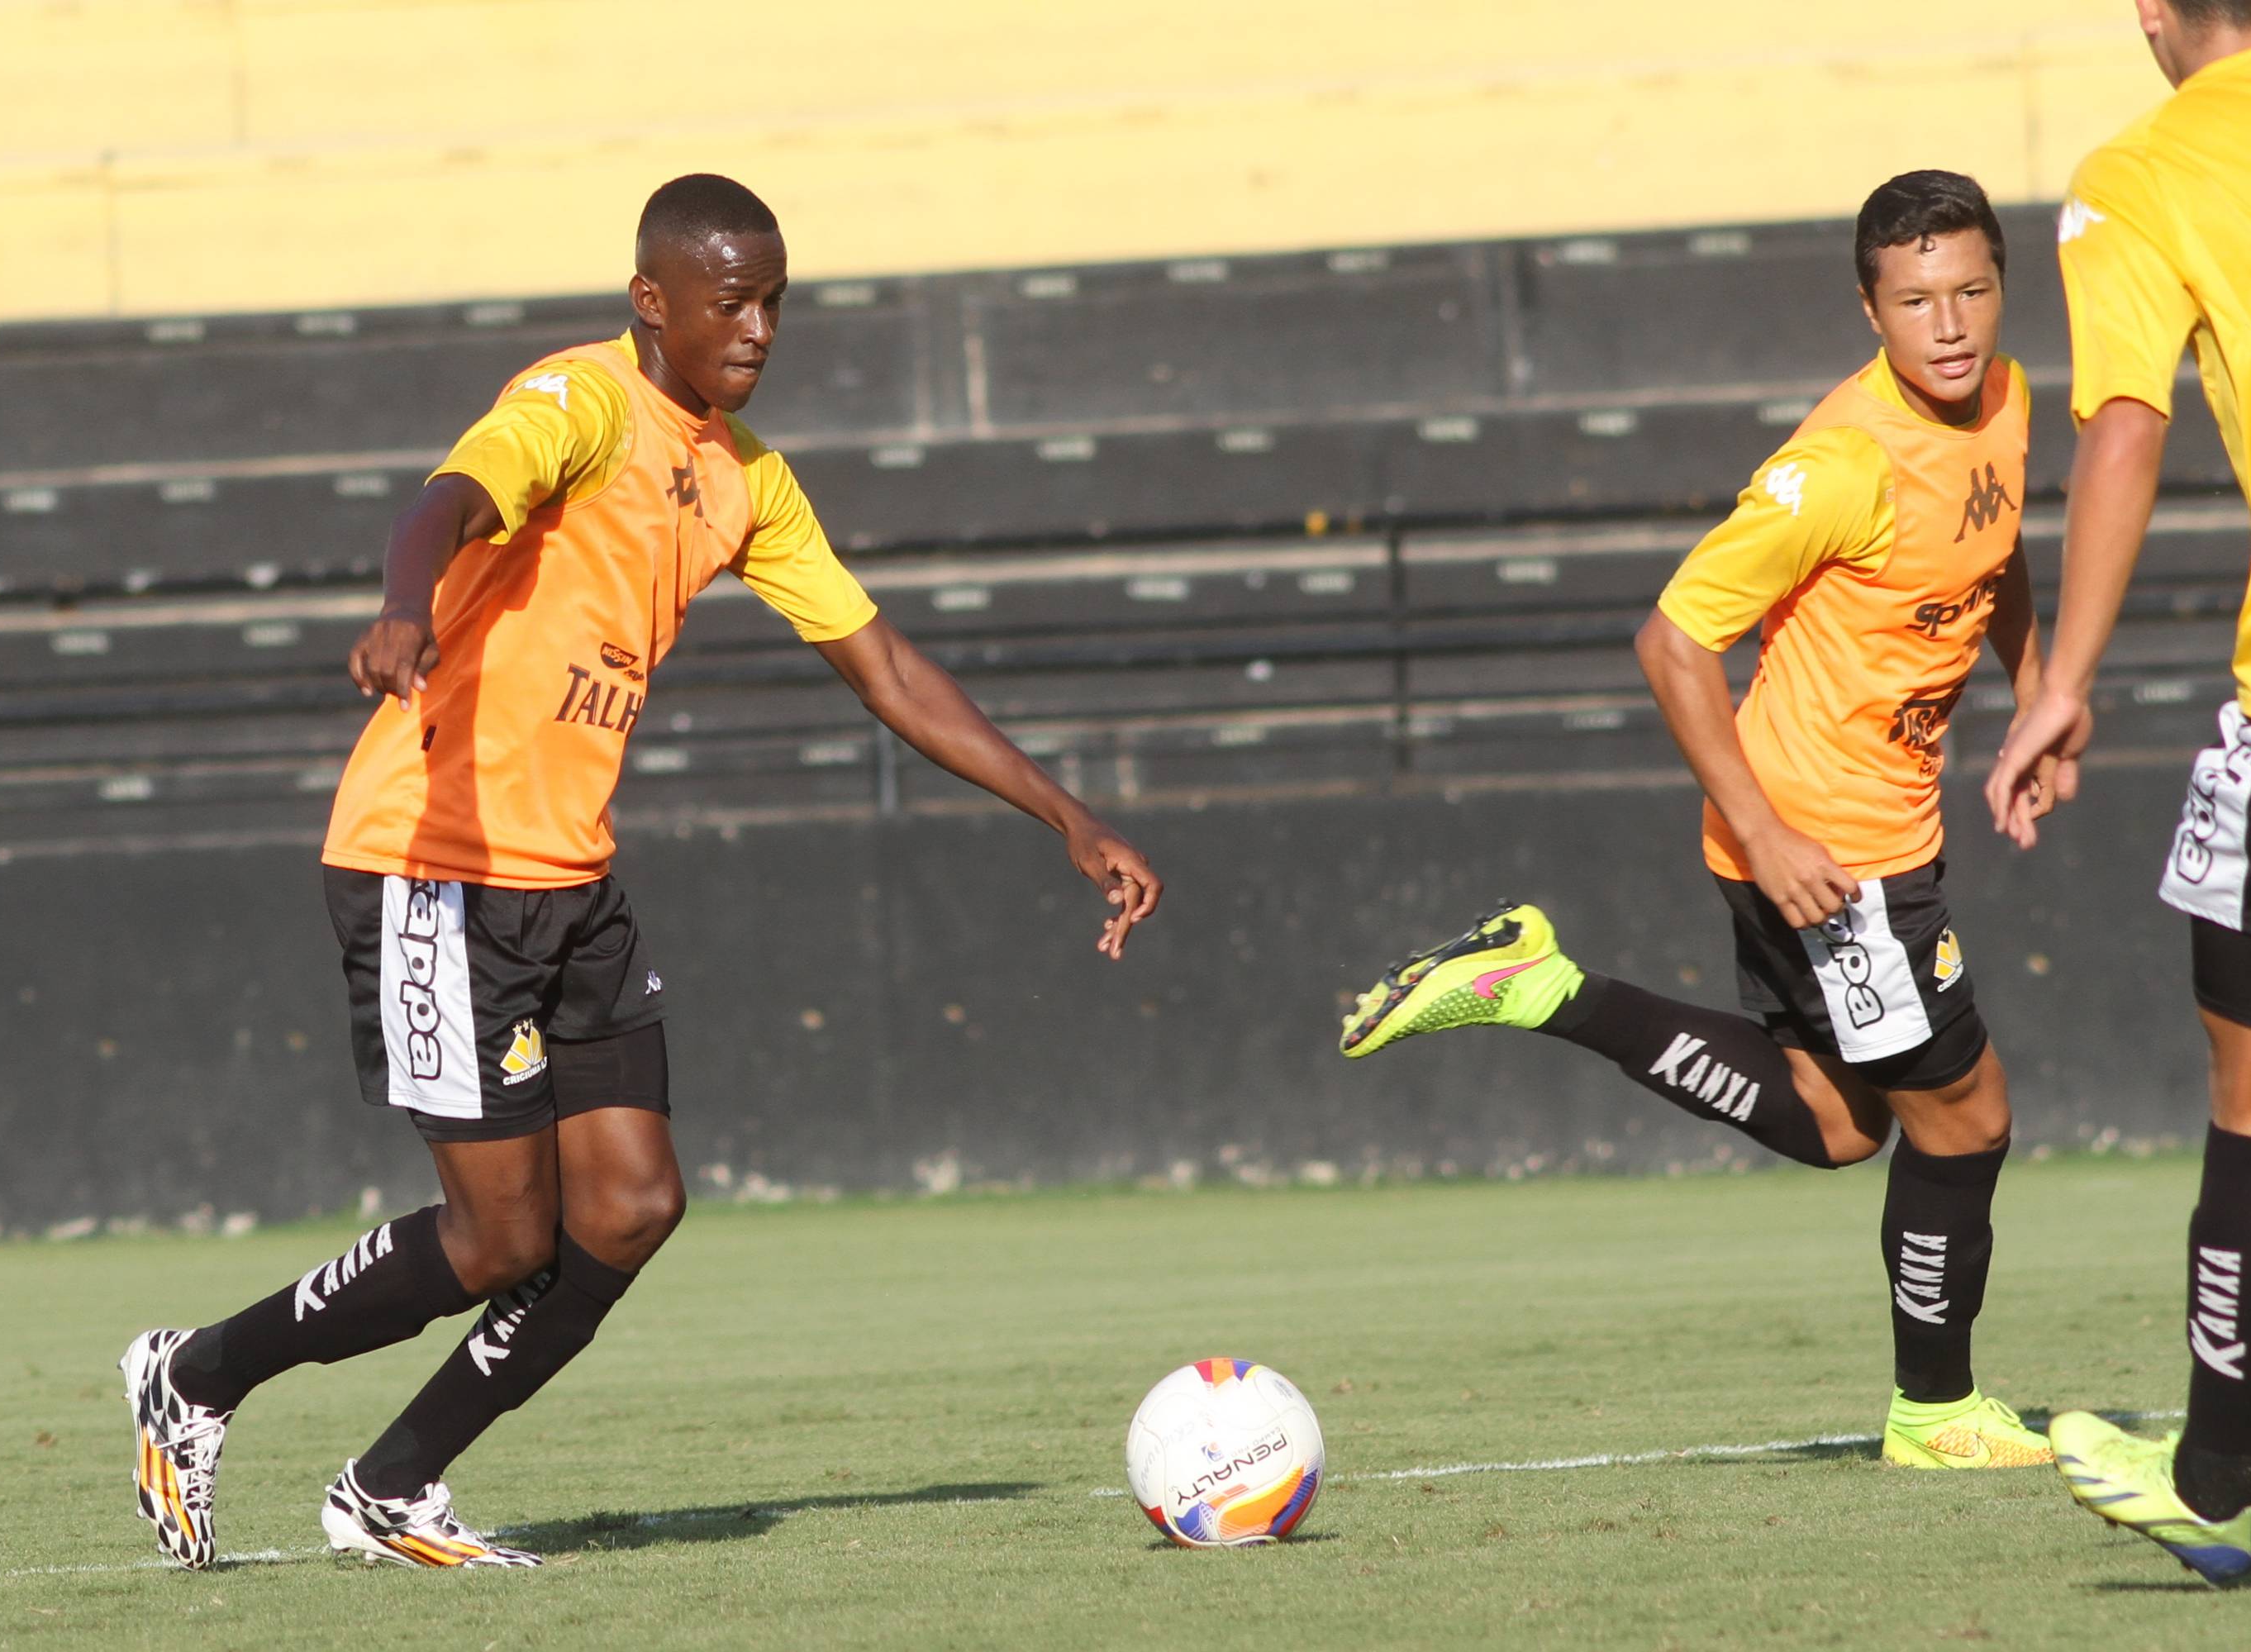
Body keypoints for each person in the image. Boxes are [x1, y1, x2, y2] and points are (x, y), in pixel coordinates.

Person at [119, 173, 1161, 1570]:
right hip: (432, 865)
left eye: (776, 301)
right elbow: (447, 499)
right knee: (496, 1242)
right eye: (732, 302)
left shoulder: (747, 478)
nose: (760, 329)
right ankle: (194, 1376)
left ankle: (391, 1487)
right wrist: (399, 607)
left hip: (571, 883)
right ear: (651, 301)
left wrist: (1067, 816)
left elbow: (889, 668)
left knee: (631, 1206)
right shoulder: (582, 402)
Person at [1341, 172, 2064, 1470]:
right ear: (1869, 308)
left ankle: (1544, 986)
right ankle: (1937, 1415)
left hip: (1859, 830)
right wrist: (1775, 839)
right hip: (1829, 850)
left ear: (2002, 289)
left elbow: (1997, 548)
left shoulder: (2007, 403)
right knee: (1967, 1118)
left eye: (1970, 291)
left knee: (1843, 1123)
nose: (1948, 324)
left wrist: (2041, 694)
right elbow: (1673, 642)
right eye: (1914, 301)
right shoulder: (1837, 467)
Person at [1985, 0, 2251, 1586]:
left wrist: (2062, 680)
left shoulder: (2135, 175)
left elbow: (2123, 428)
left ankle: (2218, 1485)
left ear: (2153, 15)